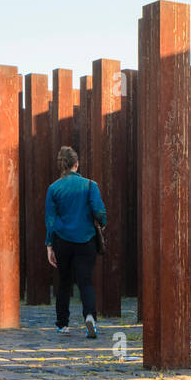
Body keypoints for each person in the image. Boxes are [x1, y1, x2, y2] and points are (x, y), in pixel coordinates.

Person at [45, 145, 106, 339]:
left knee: (63, 283)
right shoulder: (90, 185)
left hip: (62, 241)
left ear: (61, 166)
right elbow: (100, 211)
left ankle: (62, 324)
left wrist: (49, 246)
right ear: (77, 164)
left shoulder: (53, 188)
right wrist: (101, 223)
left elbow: (50, 220)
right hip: (86, 240)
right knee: (85, 282)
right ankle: (90, 317)